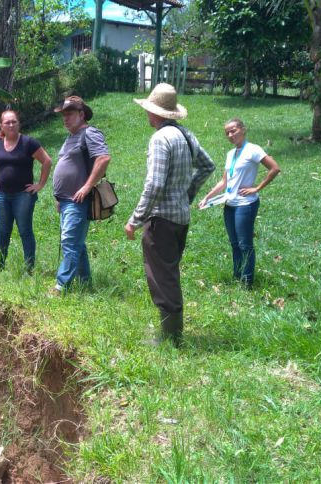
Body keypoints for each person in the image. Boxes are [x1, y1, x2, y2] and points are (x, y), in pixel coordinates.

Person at [124, 83, 216, 347]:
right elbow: (208, 166)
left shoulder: (160, 139)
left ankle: (171, 339)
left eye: (148, 110)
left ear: (156, 113)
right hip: (180, 218)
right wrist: (187, 195)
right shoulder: (186, 135)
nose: (146, 114)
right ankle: (171, 333)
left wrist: (135, 220)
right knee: (169, 271)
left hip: (161, 219)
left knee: (162, 277)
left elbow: (154, 184)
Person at [198, 118, 281, 287]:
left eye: (233, 130)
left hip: (246, 205)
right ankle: (238, 276)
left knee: (245, 244)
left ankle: (247, 282)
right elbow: (224, 182)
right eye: (227, 133)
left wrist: (257, 188)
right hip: (229, 204)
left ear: (243, 129)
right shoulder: (230, 154)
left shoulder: (253, 150)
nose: (230, 135)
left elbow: (275, 168)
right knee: (234, 243)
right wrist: (207, 197)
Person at [50, 96, 111, 294]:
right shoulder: (70, 137)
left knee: (69, 241)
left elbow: (103, 158)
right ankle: (85, 284)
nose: (65, 118)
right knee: (77, 243)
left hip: (78, 200)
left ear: (81, 114)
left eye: (70, 114)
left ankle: (61, 286)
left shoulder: (89, 133)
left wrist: (86, 187)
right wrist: (59, 198)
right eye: (64, 115)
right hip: (66, 200)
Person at [0, 110, 52, 271]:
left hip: (23, 196)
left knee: (25, 231)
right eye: (7, 122)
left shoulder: (28, 143)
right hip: (2, 195)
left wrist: (40, 184)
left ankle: (29, 269)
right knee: (3, 231)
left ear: (18, 123)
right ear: (1, 125)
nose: (10, 125)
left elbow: (47, 161)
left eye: (14, 121)